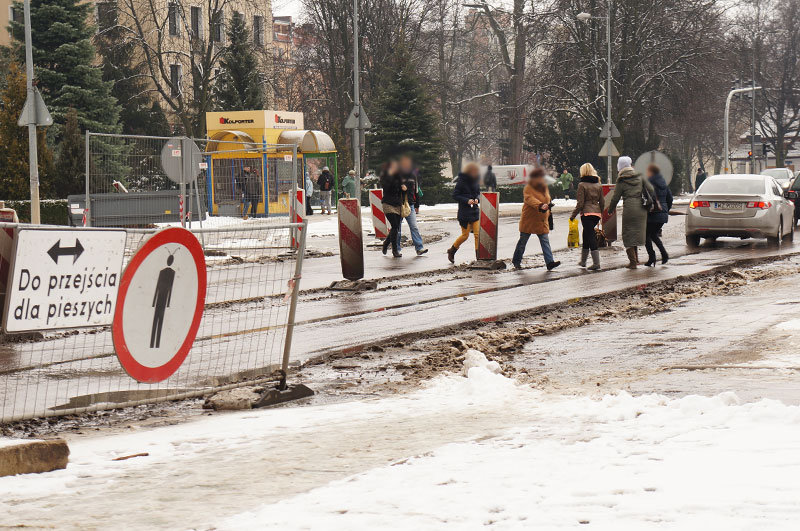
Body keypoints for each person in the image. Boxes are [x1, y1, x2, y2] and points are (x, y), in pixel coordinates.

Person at [605, 156, 656, 269]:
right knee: (637, 234)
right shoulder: (640, 175)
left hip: (629, 209)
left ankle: (633, 262)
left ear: (620, 166)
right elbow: (651, 189)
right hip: (641, 209)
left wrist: (610, 209)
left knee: (628, 235)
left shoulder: (622, 179)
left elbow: (615, 197)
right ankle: (636, 259)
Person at [512, 167, 561, 271]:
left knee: (545, 241)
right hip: (529, 220)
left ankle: (550, 262)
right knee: (523, 241)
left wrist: (549, 209)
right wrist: (540, 205)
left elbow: (548, 199)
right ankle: (516, 261)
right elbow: (529, 199)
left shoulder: (544, 187)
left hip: (542, 219)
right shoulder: (528, 187)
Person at [570, 163, 604, 270]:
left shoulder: (582, 185)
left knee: (590, 236)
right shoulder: (598, 184)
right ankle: (583, 261)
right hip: (596, 213)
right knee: (586, 234)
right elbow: (602, 201)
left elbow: (580, 203)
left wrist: (573, 215)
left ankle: (596, 263)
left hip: (587, 213)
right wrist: (600, 213)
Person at [447, 162, 481, 263]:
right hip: (464, 213)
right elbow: (455, 195)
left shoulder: (476, 181)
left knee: (477, 235)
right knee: (465, 235)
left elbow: (478, 193)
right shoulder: (461, 181)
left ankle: (478, 257)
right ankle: (452, 250)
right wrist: (466, 200)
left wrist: (477, 199)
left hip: (474, 212)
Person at [396, 155, 428, 256]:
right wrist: (400, 188)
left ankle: (419, 248)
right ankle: (396, 249)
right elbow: (391, 189)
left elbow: (416, 191)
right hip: (398, 205)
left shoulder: (413, 176)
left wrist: (417, 204)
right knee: (397, 229)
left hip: (410, 205)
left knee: (414, 227)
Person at [644, 164, 673, 266]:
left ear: (651, 172)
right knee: (653, 235)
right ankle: (664, 255)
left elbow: (646, 198)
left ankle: (652, 257)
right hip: (663, 214)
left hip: (653, 213)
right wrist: (666, 210)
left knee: (646, 235)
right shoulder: (664, 183)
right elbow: (670, 199)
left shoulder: (649, 182)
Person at [380, 160, 405, 258]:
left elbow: (401, 192)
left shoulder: (399, 177)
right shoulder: (385, 177)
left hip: (397, 204)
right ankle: (395, 251)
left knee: (396, 227)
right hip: (388, 204)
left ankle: (386, 243)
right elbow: (388, 188)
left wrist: (404, 189)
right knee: (394, 226)